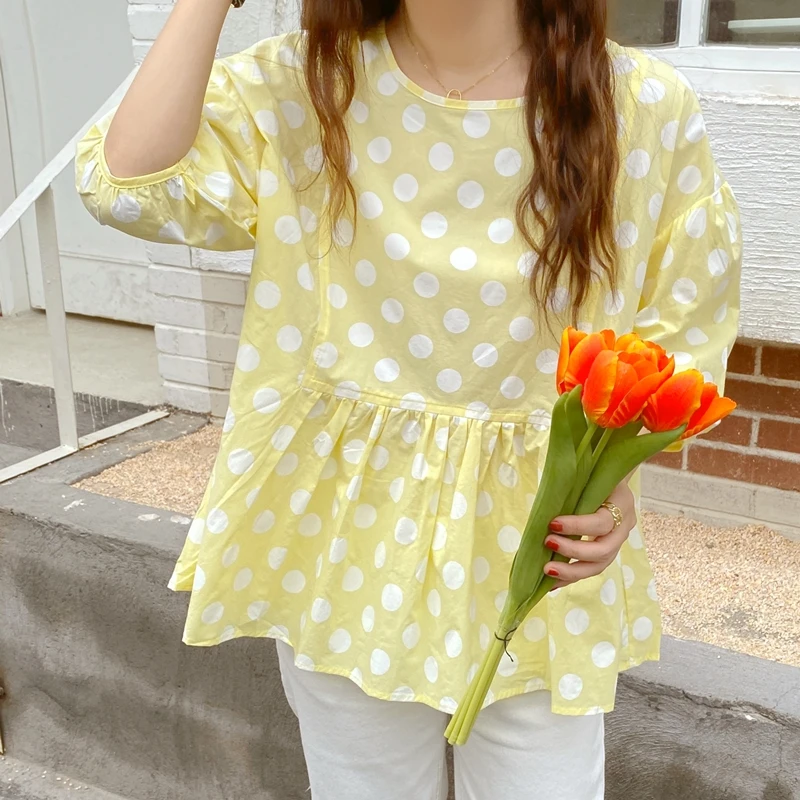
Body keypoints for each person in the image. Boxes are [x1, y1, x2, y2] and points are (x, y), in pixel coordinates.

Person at [75, 0, 742, 797]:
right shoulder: (308, 87)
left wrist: (614, 478)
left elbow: (683, 329)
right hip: (344, 547)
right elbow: (128, 185)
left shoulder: (641, 106)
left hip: (541, 546)